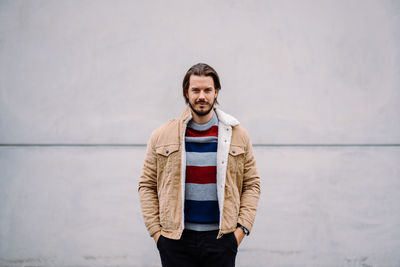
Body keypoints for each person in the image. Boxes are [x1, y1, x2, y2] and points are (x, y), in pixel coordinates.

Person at [138, 63, 260, 267]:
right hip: (175, 242)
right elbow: (147, 186)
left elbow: (252, 185)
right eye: (195, 90)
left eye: (207, 90)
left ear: (216, 92)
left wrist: (241, 230)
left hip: (222, 240)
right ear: (186, 92)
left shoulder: (238, 135)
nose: (201, 96)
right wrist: (157, 234)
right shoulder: (161, 136)